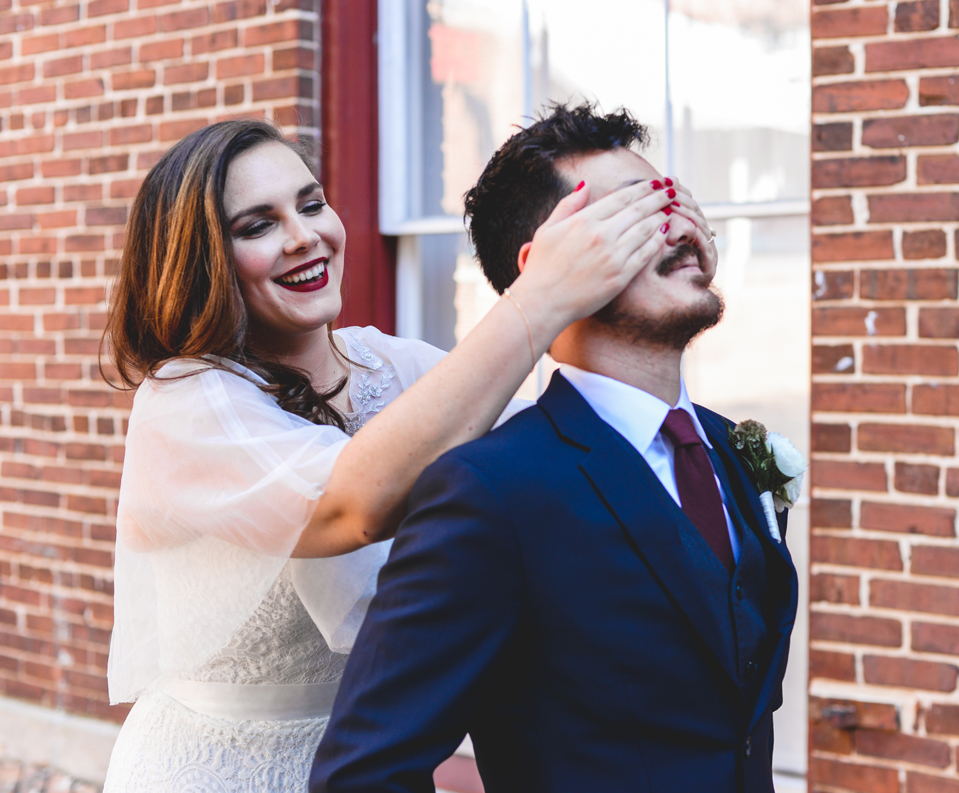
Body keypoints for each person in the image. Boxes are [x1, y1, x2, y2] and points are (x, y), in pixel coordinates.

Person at [98, 118, 675, 792]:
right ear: (200, 260)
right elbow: (350, 505)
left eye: (311, 204)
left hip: (374, 761)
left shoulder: (386, 363)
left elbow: (546, 446)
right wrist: (540, 297)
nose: (304, 236)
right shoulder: (186, 400)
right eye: (257, 226)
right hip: (218, 770)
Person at [311, 103, 800, 792]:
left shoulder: (728, 448)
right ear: (545, 265)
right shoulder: (490, 493)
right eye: (629, 216)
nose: (677, 227)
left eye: (672, 201)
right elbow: (363, 772)